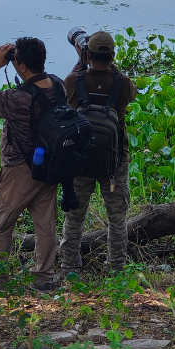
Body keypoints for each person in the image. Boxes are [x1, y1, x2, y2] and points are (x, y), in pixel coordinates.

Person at [0, 37, 65, 291]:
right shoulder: (58, 85)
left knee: (0, 225)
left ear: (21, 67)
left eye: (15, 62)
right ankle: (44, 279)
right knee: (45, 225)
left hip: (18, 171)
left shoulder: (17, 98)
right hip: (49, 167)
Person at [60, 31, 138, 274]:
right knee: (117, 219)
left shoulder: (73, 81)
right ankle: (116, 268)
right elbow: (131, 94)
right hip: (114, 163)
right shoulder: (123, 83)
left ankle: (70, 266)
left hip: (79, 162)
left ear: (88, 54)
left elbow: (65, 94)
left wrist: (81, 62)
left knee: (74, 217)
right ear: (113, 55)